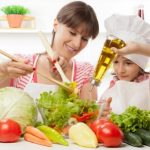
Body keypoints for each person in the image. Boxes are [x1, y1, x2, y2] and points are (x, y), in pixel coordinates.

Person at [0, 1, 99, 100]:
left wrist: (61, 83)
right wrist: (2, 72)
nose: (77, 44)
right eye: (72, 33)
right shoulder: (22, 63)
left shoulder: (86, 71)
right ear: (56, 24)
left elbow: (89, 113)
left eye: (84, 39)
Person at [99, 14, 150, 114]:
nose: (120, 70)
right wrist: (101, 112)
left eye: (128, 63)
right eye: (116, 62)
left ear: (140, 64)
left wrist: (137, 48)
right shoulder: (112, 87)